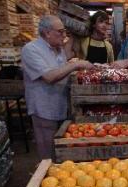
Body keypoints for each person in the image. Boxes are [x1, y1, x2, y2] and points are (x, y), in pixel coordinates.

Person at [22, 15, 93, 160]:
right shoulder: (31, 50)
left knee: (62, 149)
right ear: (47, 33)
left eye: (65, 31)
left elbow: (61, 68)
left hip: (61, 106)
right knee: (48, 152)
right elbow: (49, 77)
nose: (64, 35)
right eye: (60, 32)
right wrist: (75, 64)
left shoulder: (57, 48)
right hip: (44, 108)